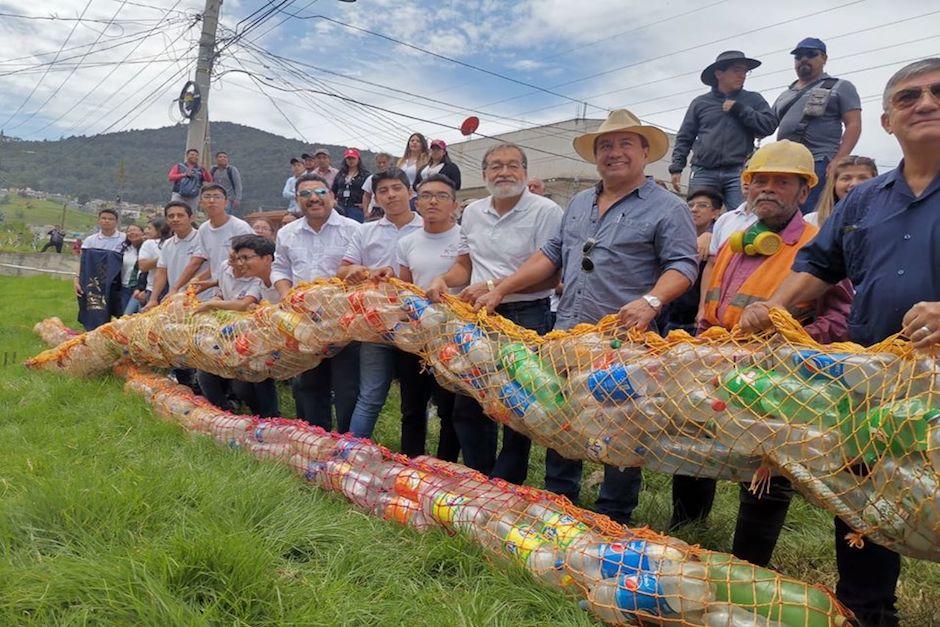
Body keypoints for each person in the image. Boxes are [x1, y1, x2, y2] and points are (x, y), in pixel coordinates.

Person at [739, 58, 940, 627]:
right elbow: (820, 264)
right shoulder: (864, 200)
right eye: (908, 97)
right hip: (874, 376)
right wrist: (773, 308)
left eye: (937, 92)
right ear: (887, 120)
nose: (924, 103)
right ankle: (868, 610)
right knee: (865, 498)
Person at [473, 110, 699, 525]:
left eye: (625, 144)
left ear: (645, 152)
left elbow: (683, 266)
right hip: (567, 335)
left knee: (621, 430)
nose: (614, 153)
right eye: (606, 146)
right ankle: (561, 506)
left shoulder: (668, 207)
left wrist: (651, 300)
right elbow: (550, 256)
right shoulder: (578, 202)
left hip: (624, 342)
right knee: (564, 421)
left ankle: (612, 520)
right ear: (596, 157)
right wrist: (501, 288)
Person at [674, 141, 852, 547]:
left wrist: (793, 338)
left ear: (804, 192)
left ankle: (748, 564)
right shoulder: (739, 242)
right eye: (760, 181)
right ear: (747, 187)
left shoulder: (816, 245)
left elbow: (842, 316)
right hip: (718, 363)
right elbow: (716, 301)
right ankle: (686, 531)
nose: (767, 189)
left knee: (767, 468)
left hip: (778, 374)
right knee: (693, 449)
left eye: (782, 182)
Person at [426, 142, 563, 485]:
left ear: (526, 172)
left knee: (520, 408)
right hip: (477, 318)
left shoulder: (546, 211)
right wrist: (444, 279)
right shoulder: (472, 212)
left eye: (513, 165)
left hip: (526, 315)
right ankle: (480, 478)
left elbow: (551, 274)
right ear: (485, 174)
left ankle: (507, 484)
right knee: (469, 403)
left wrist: (494, 286)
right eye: (496, 166)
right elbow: (464, 265)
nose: (504, 172)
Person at [337, 168, 426, 455]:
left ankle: (412, 461)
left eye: (397, 188)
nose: (391, 195)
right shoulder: (365, 230)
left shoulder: (427, 228)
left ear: (409, 192)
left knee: (414, 401)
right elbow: (343, 269)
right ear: (375, 197)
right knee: (371, 394)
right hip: (375, 325)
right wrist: (361, 271)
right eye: (383, 190)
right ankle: (349, 455)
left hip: (416, 325)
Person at [271, 173, 361, 431]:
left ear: (332, 196)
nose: (313, 199)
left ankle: (349, 442)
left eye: (320, 193)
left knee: (347, 387)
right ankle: (314, 439)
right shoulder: (287, 233)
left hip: (344, 323)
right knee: (307, 384)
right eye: (305, 194)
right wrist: (286, 294)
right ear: (297, 200)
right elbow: (279, 269)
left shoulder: (353, 229)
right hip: (303, 322)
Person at [397, 173, 464, 462]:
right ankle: (411, 462)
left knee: (450, 409)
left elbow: (467, 272)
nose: (433, 201)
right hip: (416, 337)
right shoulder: (407, 241)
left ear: (455, 204)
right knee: (412, 406)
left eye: (441, 196)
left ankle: (446, 466)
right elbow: (406, 288)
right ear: (417, 202)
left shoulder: (465, 237)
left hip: (455, 335)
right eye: (426, 195)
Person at [670, 51, 778, 209]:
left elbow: (769, 125)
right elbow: (685, 137)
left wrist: (741, 110)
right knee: (698, 220)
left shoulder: (753, 99)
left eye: (745, 71)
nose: (742, 75)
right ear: (719, 74)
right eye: (736, 70)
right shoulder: (700, 103)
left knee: (743, 218)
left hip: (738, 171)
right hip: (703, 171)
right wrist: (676, 168)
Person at [773, 38, 862, 213]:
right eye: (798, 56)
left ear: (824, 58)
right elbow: (765, 125)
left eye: (811, 54)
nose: (803, 59)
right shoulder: (786, 94)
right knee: (782, 212)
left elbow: (854, 124)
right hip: (784, 164)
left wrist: (839, 160)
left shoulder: (840, 86)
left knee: (810, 214)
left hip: (818, 161)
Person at [192, 238, 279, 418]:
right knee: (208, 372)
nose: (239, 264)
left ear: (267, 259)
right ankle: (226, 414)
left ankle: (269, 417)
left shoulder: (268, 278)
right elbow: (224, 294)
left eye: (245, 258)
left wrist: (211, 305)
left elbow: (245, 305)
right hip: (235, 331)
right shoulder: (232, 270)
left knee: (254, 379)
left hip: (262, 337)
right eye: (235, 259)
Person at [168, 183, 254, 294]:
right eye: (207, 197)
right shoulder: (203, 229)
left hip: (244, 289)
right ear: (200, 203)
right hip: (219, 290)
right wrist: (192, 282)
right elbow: (211, 263)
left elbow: (249, 262)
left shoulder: (239, 227)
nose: (212, 200)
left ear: (226, 202)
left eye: (217, 197)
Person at [662, 189, 722, 336]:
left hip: (694, 321)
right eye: (691, 205)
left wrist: (711, 235)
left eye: (702, 205)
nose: (694, 209)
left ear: (715, 213)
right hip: (666, 316)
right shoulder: (674, 235)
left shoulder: (717, 242)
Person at [75, 208, 126, 331]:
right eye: (103, 218)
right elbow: (82, 262)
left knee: (121, 315)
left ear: (116, 222)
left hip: (117, 284)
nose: (106, 221)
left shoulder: (125, 239)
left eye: (110, 219)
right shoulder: (90, 240)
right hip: (95, 284)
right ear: (99, 221)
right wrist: (76, 279)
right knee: (95, 313)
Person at [805, 155, 877, 227]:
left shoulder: (884, 220)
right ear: (834, 184)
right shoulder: (811, 221)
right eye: (846, 178)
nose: (854, 184)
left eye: (863, 178)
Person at [127, 217, 171, 315]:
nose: (146, 231)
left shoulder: (173, 242)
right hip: (151, 289)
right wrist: (165, 258)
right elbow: (142, 267)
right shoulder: (149, 244)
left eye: (150, 228)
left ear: (160, 229)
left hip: (171, 290)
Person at [332, 148, 370, 223]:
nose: (351, 161)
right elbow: (333, 190)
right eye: (348, 158)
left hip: (356, 208)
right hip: (340, 207)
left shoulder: (365, 175)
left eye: (353, 158)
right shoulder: (340, 174)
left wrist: (365, 205)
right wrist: (333, 201)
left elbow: (369, 192)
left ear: (358, 159)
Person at [118, 224, 145, 314]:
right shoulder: (124, 249)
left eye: (135, 230)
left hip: (140, 289)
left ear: (142, 233)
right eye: (129, 231)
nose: (132, 233)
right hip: (124, 287)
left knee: (131, 315)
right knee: (124, 316)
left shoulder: (147, 248)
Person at [360, 152, 392, 220]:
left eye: (384, 162)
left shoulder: (396, 179)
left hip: (391, 209)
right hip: (375, 210)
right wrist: (365, 211)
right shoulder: (371, 179)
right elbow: (366, 196)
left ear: (389, 163)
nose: (381, 165)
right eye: (379, 163)